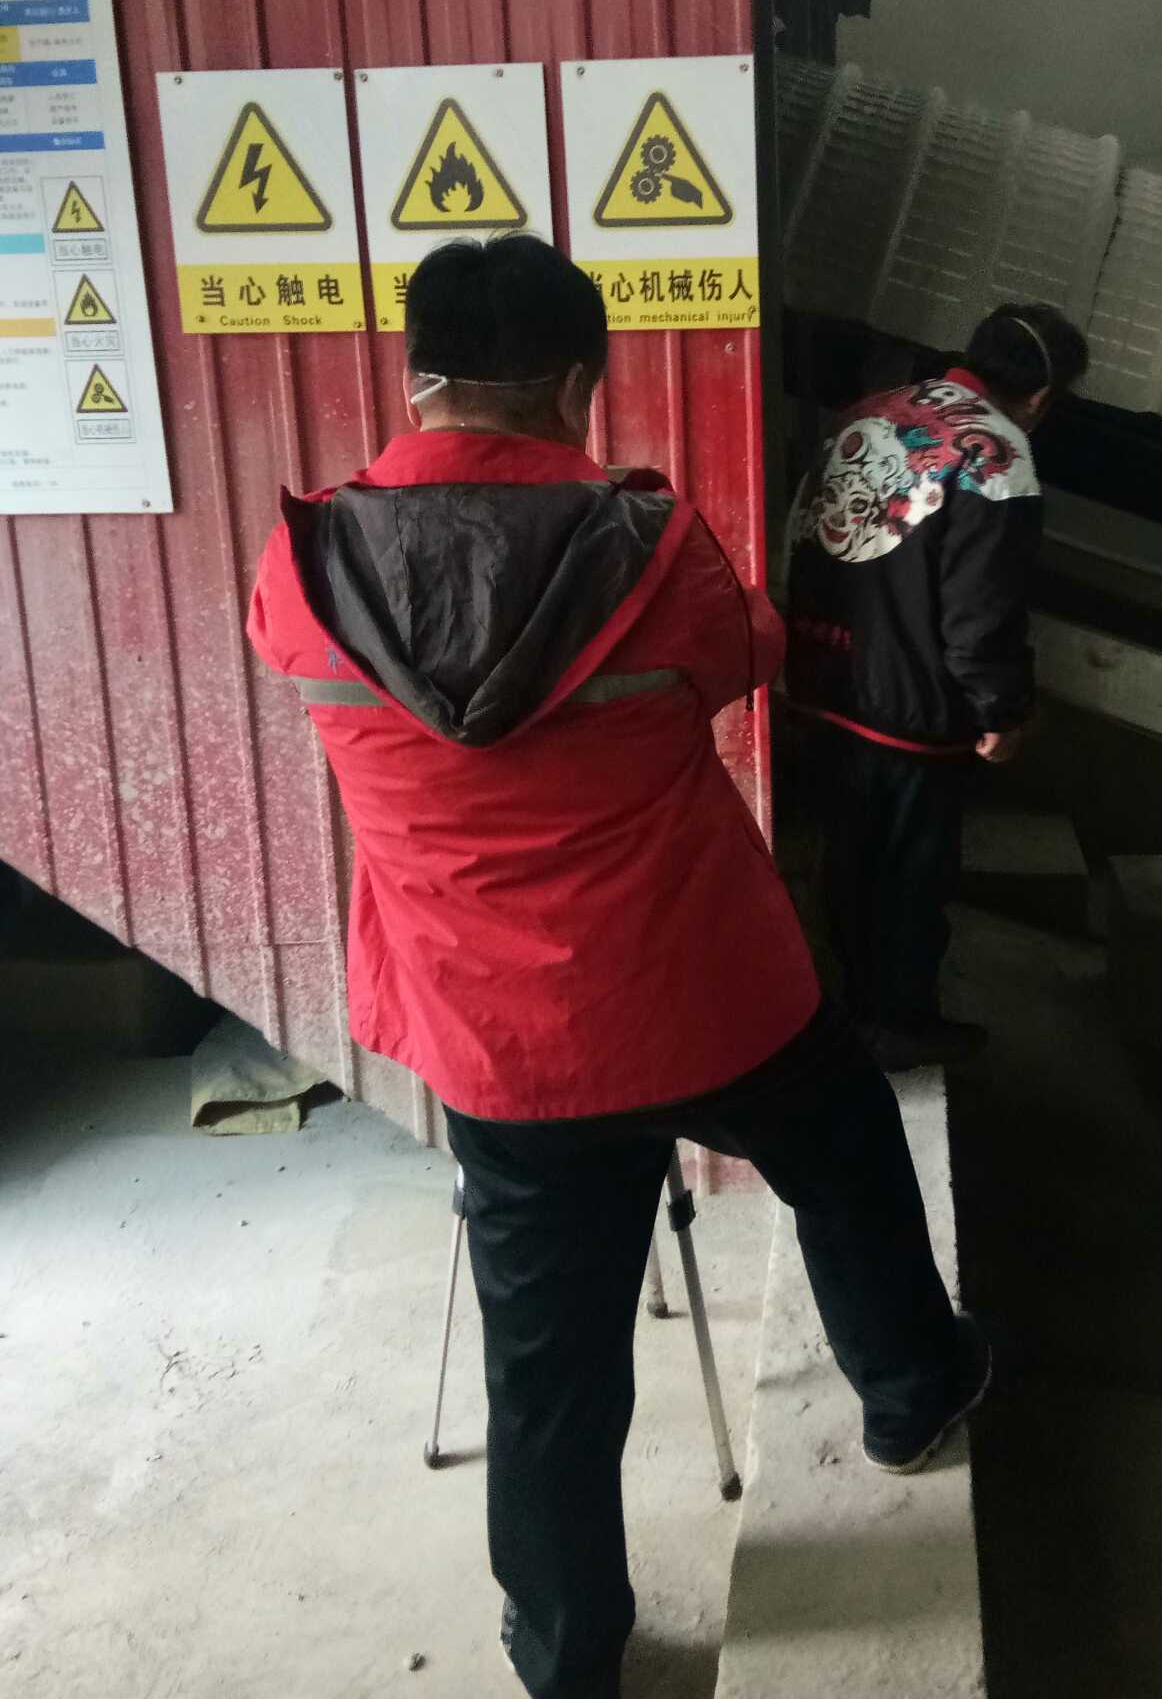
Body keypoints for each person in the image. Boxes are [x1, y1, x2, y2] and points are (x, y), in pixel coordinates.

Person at [245, 233, 987, 1699]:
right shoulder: (651, 548)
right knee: (847, 1148)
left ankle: (568, 1652)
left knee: (546, 1363)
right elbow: (751, 649)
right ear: (578, 383)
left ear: (415, 375)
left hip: (497, 1047)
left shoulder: (304, 564)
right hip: (702, 1003)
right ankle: (911, 1394)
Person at [785, 303, 1090, 1072]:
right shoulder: (996, 454)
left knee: (846, 860)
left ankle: (849, 1012)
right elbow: (979, 613)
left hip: (822, 677)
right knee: (911, 878)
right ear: (1043, 396)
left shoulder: (870, 412)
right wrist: (1001, 710)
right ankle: (897, 1022)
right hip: (911, 710)